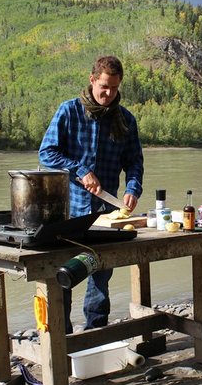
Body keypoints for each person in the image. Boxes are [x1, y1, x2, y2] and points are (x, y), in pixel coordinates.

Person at [38, 55, 143, 333]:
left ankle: (96, 335)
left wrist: (133, 188)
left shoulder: (126, 120)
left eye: (114, 88)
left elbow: (134, 163)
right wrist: (80, 170)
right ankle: (63, 337)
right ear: (92, 79)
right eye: (104, 87)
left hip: (107, 216)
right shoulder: (69, 111)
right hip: (68, 212)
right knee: (64, 276)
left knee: (100, 278)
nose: (108, 94)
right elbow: (46, 152)